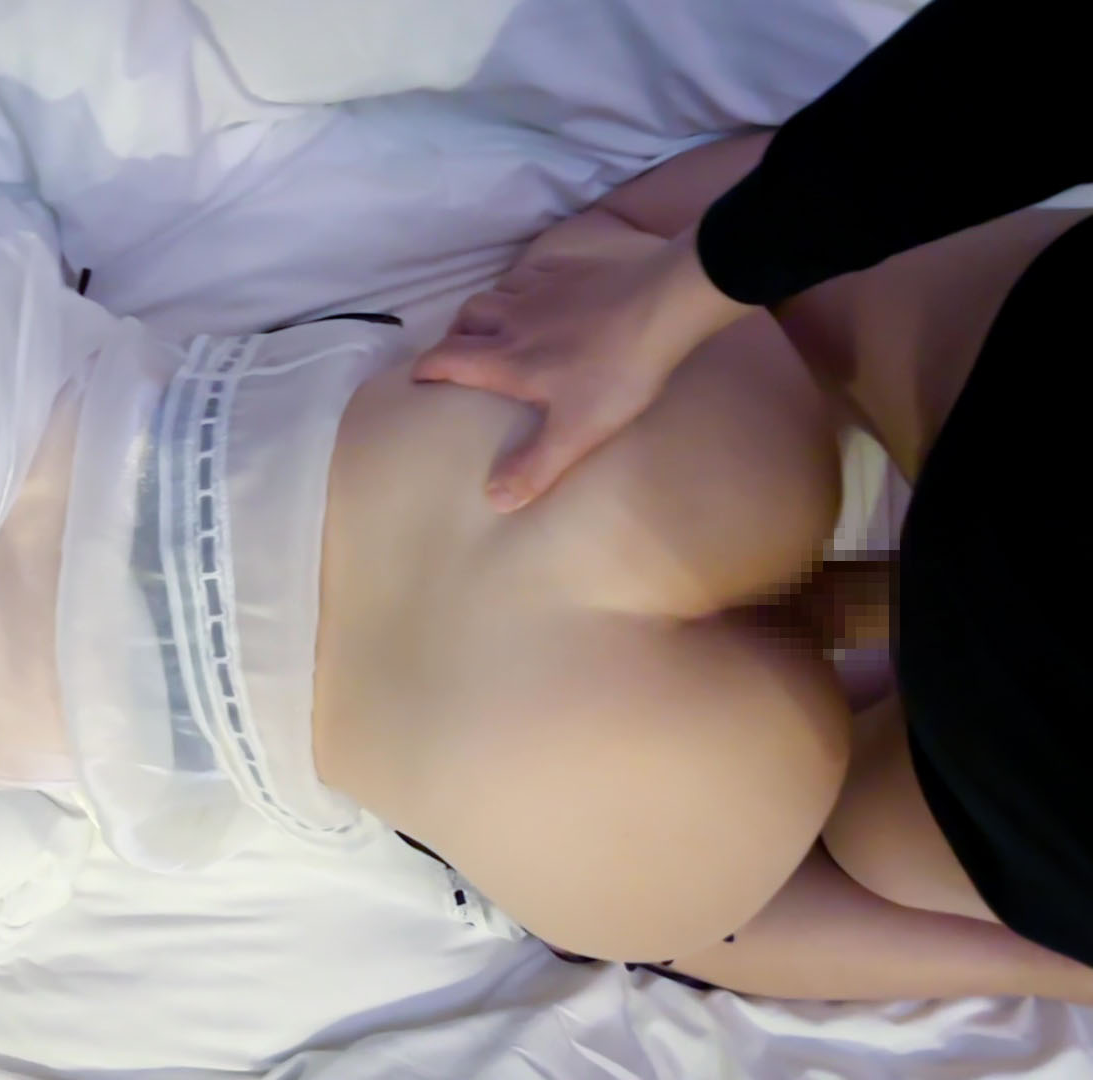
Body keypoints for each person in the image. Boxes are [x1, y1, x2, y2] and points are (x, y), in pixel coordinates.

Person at [415, 0, 1093, 992]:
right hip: (1040, 774)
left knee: (680, 243)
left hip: (1040, 513)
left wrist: (675, 286)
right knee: (760, 886)